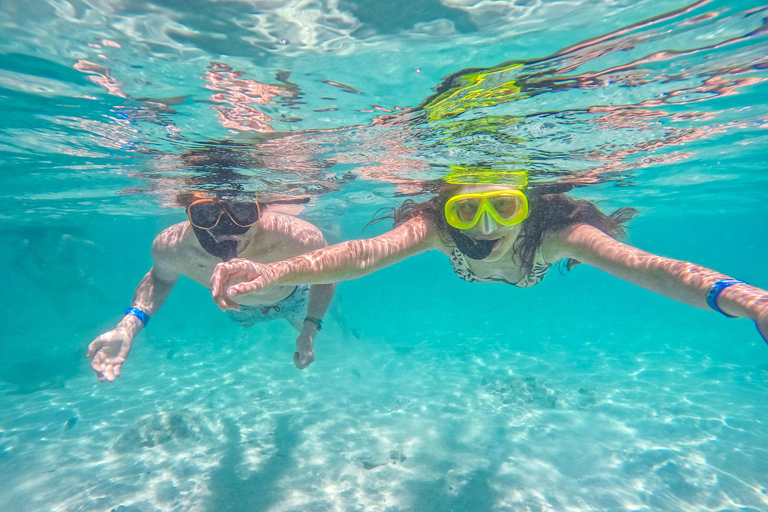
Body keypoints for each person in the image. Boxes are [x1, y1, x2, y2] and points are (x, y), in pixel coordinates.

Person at [209, 171, 768, 343]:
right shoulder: (435, 231)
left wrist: (750, 302)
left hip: (533, 271)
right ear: (443, 211)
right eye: (465, 212)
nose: (483, 227)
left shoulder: (559, 237)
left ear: (528, 208)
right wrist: (273, 270)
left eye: (502, 207)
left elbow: (645, 267)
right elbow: (360, 255)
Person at [88, 193, 335, 382]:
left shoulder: (299, 237)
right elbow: (160, 279)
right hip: (237, 307)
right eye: (206, 213)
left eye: (242, 210)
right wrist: (126, 328)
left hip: (294, 298)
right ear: (187, 212)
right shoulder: (172, 246)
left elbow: (326, 275)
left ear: (261, 208)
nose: (227, 228)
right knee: (247, 323)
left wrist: (311, 328)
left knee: (299, 328)